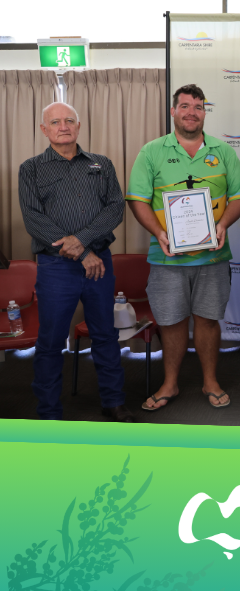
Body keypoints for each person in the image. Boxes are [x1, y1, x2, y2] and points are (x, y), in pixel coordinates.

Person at [126, 84, 240, 411]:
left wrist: (222, 225)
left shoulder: (223, 152)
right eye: (184, 106)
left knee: (208, 320)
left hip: (212, 257)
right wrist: (159, 233)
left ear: (204, 112)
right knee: (172, 321)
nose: (191, 112)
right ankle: (170, 384)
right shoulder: (151, 151)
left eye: (198, 106)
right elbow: (137, 199)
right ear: (173, 111)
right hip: (167, 258)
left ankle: (210, 380)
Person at [18, 102, 132, 422]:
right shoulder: (31, 168)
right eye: (55, 122)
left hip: (99, 264)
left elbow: (114, 209)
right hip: (56, 268)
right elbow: (34, 221)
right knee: (51, 340)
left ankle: (113, 402)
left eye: (69, 120)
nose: (63, 126)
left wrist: (82, 242)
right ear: (45, 130)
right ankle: (49, 411)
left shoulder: (102, 164)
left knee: (105, 334)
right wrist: (83, 253)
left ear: (79, 126)